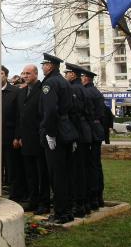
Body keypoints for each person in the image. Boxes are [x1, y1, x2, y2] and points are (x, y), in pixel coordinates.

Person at [39, 53, 74, 225]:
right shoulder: (63, 82)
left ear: (51, 66)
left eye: (44, 64)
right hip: (65, 129)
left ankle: (60, 213)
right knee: (65, 173)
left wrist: (50, 133)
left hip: (56, 132)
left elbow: (50, 111)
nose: (42, 67)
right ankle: (67, 210)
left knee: (56, 175)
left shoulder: (50, 83)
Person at [15, 64, 50, 214]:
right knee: (30, 173)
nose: (25, 76)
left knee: (42, 173)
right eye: (23, 73)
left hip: (38, 138)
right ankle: (33, 199)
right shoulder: (22, 93)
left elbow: (44, 115)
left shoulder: (42, 90)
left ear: (35, 74)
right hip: (26, 140)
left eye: (28, 73)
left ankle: (44, 202)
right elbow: (19, 117)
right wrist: (18, 136)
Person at [64, 63, 93, 217]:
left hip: (79, 133)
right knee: (83, 169)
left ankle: (79, 204)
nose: (65, 75)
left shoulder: (74, 89)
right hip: (85, 131)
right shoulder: (83, 88)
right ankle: (85, 203)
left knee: (76, 170)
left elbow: (74, 113)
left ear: (73, 75)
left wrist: (72, 135)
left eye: (67, 72)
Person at [81, 68, 107, 210]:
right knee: (96, 165)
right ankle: (98, 196)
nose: (81, 79)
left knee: (91, 165)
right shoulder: (96, 92)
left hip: (91, 131)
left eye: (83, 77)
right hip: (97, 130)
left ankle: (93, 196)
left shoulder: (88, 92)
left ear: (87, 79)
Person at [2, 65, 26, 201]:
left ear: (6, 75)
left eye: (0, 73)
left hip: (10, 135)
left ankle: (15, 195)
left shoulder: (15, 92)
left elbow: (19, 116)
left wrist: (17, 136)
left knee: (12, 167)